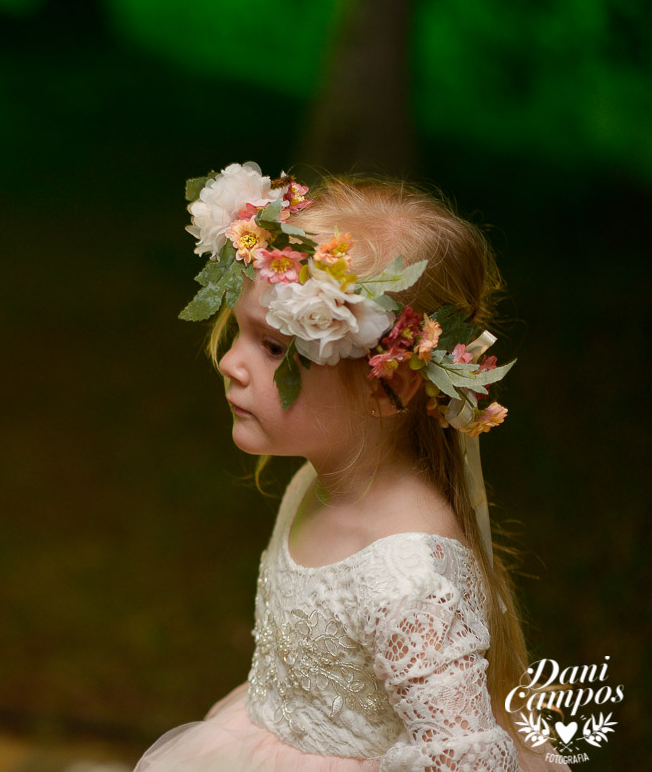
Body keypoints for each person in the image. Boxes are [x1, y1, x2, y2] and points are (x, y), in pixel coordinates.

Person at [135, 164, 568, 771]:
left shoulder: (409, 578)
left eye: (274, 347)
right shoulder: (319, 480)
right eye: (240, 333)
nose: (231, 363)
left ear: (386, 386)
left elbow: (464, 760)